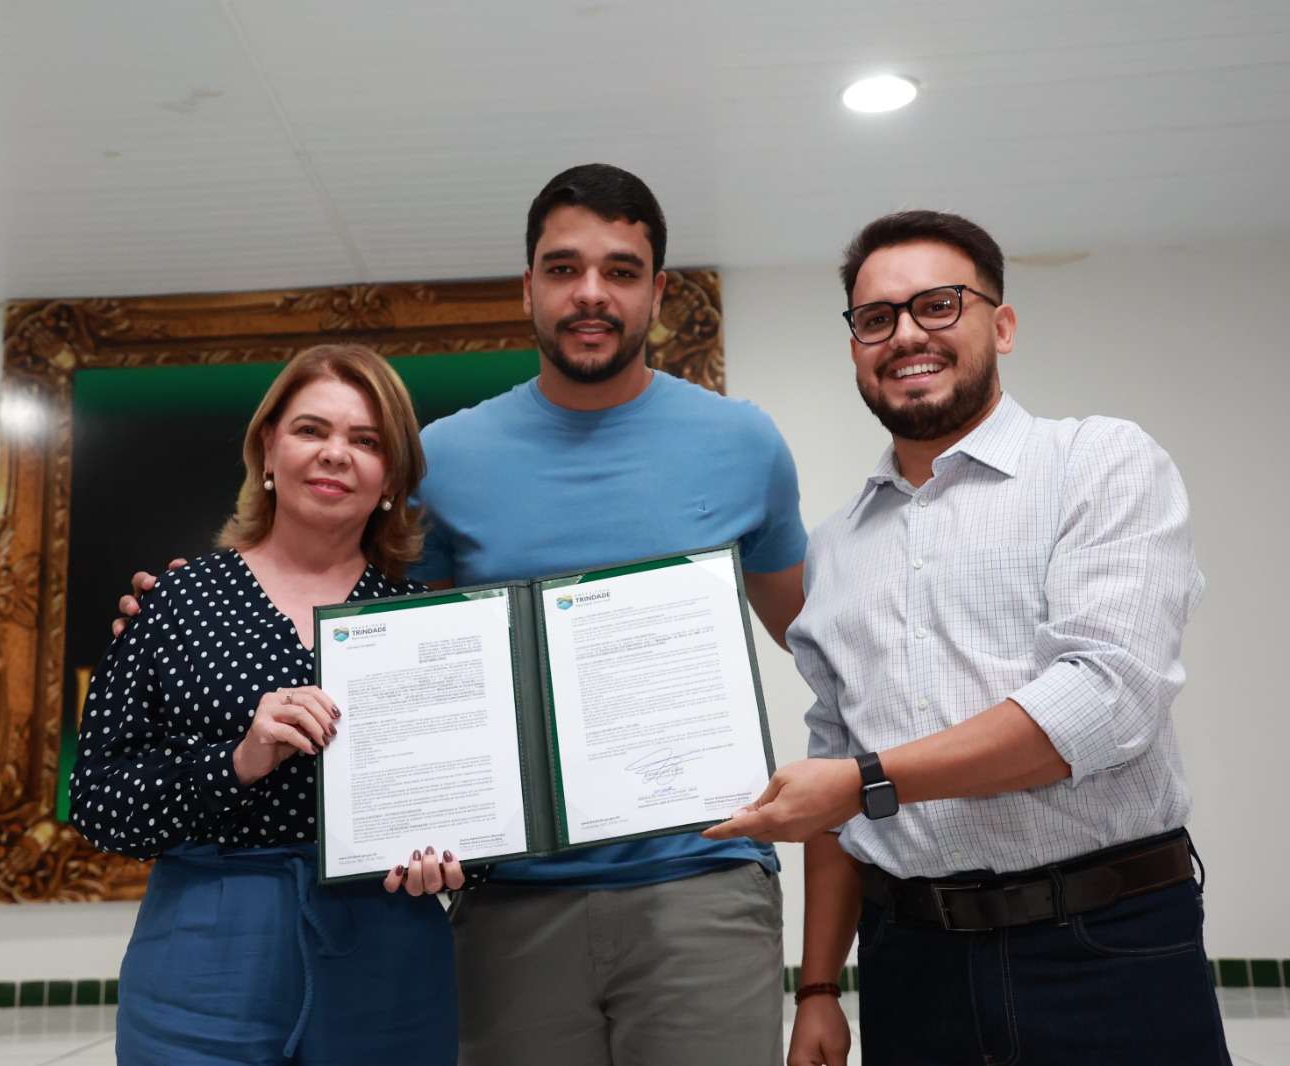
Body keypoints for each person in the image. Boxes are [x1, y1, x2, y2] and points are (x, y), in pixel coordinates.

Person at [119, 164, 811, 1066]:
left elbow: (817, 642)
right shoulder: (442, 462)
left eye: (620, 270)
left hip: (703, 883)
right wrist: (185, 612)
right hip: (511, 900)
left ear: (658, 291)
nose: (590, 293)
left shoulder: (744, 442)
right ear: (527, 287)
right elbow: (371, 631)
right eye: (563, 269)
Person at [705, 210, 1229, 1066]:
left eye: (938, 304)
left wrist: (865, 782)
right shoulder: (835, 549)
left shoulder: (1099, 463)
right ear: (856, 346)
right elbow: (835, 770)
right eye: (877, 318)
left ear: (1002, 324)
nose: (907, 334)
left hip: (1103, 946)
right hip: (913, 964)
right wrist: (818, 989)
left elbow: (1103, 702)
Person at [72, 343, 465, 1066]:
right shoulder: (174, 604)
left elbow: (484, 799)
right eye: (311, 430)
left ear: (391, 479)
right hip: (204, 953)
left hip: (390, 954)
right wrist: (237, 762)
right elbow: (100, 803)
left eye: (367, 441)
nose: (335, 453)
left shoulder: (435, 624)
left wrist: (457, 859)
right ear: (267, 451)